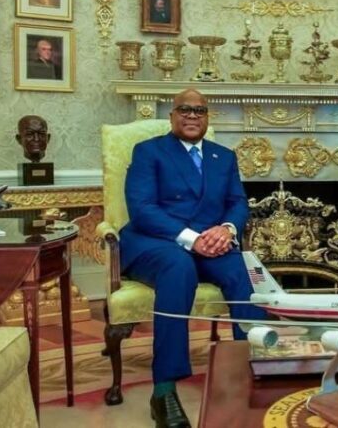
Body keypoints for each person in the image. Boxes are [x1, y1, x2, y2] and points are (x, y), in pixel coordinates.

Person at [119, 88, 266, 428]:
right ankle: (164, 390)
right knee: (178, 266)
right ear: (172, 116)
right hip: (156, 243)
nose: (191, 115)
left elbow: (237, 202)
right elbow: (142, 209)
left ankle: (255, 367)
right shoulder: (148, 151)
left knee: (244, 270)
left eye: (199, 110)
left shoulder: (223, 156)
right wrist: (192, 239)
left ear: (207, 117)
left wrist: (227, 230)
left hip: (210, 245)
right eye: (184, 109)